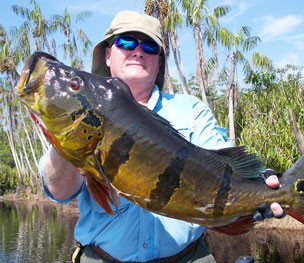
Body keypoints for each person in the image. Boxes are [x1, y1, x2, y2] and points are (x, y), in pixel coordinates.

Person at [39, 10, 284, 263]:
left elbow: (223, 163)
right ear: (108, 55)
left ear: (158, 63)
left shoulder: (191, 110)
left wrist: (263, 185)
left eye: (150, 46)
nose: (138, 51)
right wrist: (68, 136)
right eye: (126, 42)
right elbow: (59, 192)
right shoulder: (84, 111)